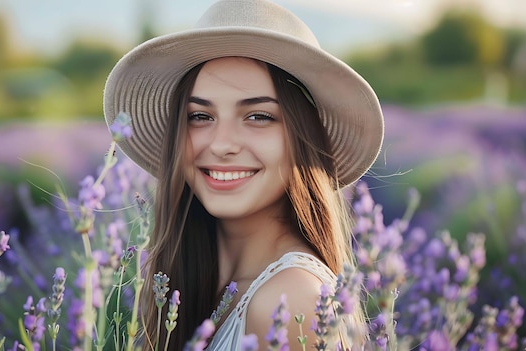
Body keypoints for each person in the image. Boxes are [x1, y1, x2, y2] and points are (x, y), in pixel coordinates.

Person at [103, 0, 384, 349]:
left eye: (258, 117)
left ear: (302, 138)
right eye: (200, 116)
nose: (222, 145)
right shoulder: (195, 277)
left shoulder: (292, 300)